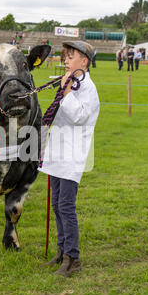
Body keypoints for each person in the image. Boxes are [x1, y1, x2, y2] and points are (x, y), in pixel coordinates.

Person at [40, 40, 100, 278]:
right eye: (65, 56)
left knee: (66, 206)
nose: (65, 60)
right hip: (58, 153)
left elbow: (79, 116)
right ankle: (61, 250)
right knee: (57, 204)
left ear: (84, 61)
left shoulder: (88, 88)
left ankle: (72, 258)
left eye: (70, 56)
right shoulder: (73, 83)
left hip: (73, 155)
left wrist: (65, 91)